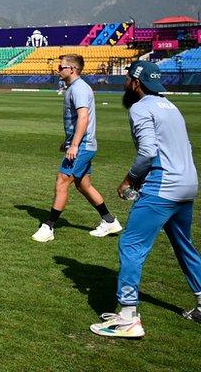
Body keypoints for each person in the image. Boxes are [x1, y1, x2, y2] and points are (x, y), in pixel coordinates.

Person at [90, 61, 201, 338]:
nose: (126, 82)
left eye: (128, 78)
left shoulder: (140, 108)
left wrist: (129, 179)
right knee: (183, 244)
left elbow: (148, 151)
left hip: (163, 187)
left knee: (131, 244)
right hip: (188, 184)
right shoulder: (170, 106)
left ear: (135, 83)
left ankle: (127, 317)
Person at [31, 54, 121, 243]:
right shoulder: (75, 88)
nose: (58, 69)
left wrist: (74, 145)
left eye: (61, 67)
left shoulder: (79, 89)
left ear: (72, 69)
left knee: (62, 181)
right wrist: (68, 141)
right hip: (82, 144)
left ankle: (48, 227)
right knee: (83, 185)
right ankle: (109, 221)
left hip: (83, 146)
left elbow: (83, 118)